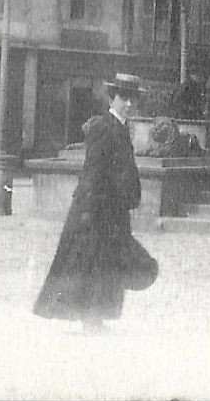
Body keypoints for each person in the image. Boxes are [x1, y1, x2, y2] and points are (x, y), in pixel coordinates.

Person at [34, 73, 157, 331]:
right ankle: (91, 319)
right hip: (98, 208)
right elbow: (92, 170)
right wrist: (88, 211)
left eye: (133, 98)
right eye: (124, 97)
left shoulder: (121, 127)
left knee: (104, 263)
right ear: (112, 98)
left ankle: (95, 317)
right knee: (93, 263)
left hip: (112, 209)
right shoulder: (104, 127)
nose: (129, 104)